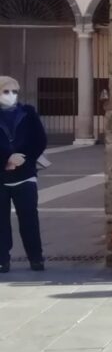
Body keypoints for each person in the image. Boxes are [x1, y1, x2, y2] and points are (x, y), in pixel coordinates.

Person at [0, 77, 47, 272]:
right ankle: (3, 259)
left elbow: (40, 140)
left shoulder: (28, 113)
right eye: (6, 92)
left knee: (29, 218)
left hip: (25, 175)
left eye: (14, 91)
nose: (11, 95)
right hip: (1, 176)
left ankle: (36, 258)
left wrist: (23, 159)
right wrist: (6, 160)